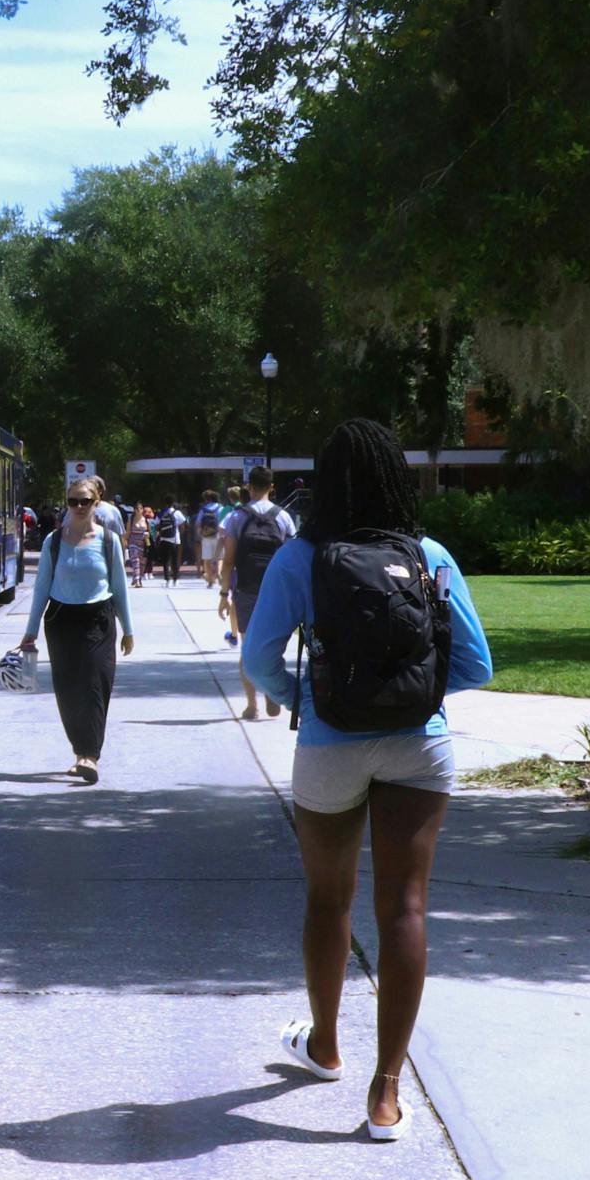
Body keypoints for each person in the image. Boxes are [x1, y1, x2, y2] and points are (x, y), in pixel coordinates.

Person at [241, 418, 492, 1140]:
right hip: (420, 747)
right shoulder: (430, 555)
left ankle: (324, 1045)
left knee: (329, 899)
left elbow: (258, 661)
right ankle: (385, 1095)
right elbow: (476, 664)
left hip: (330, 745)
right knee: (404, 908)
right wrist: (412, 695)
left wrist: (309, 699)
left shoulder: (300, 557)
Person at [17, 478, 134, 784]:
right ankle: (80, 750)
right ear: (66, 504)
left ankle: (90, 756)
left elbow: (120, 586)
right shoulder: (54, 541)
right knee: (68, 690)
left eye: (85, 501)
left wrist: (128, 629)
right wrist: (30, 630)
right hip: (61, 618)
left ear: (97, 503)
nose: (79, 507)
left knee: (94, 684)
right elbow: (41, 586)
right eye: (73, 501)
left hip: (99, 618)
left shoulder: (108, 540)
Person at [218, 466, 295, 717]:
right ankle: (272, 691)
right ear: (272, 487)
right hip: (275, 592)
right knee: (273, 645)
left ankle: (252, 705)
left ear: (249, 487)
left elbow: (228, 560)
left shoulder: (236, 517)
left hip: (246, 590)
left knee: (247, 647)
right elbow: (292, 558)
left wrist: (223, 594)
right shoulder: (284, 517)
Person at [196, 489, 225, 588]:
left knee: (207, 559)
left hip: (206, 536)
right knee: (220, 557)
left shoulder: (203, 509)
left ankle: (210, 580)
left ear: (206, 499)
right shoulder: (220, 508)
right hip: (217, 535)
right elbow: (223, 522)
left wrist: (200, 534)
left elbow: (198, 523)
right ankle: (219, 573)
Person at [154, 500, 186, 586]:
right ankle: (175, 579)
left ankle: (167, 579)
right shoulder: (177, 513)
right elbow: (183, 525)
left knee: (165, 560)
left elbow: (156, 526)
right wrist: (179, 533)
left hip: (164, 539)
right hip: (175, 539)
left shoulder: (161, 513)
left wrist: (162, 531)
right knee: (175, 559)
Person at [126, 504, 153, 586]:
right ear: (134, 510)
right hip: (133, 542)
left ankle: (137, 578)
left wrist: (147, 536)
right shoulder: (131, 519)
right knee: (135, 560)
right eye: (137, 508)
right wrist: (125, 541)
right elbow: (128, 532)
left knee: (142, 562)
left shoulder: (146, 520)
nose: (138, 510)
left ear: (142, 510)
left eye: (140, 508)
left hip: (143, 543)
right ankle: (137, 580)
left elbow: (149, 532)